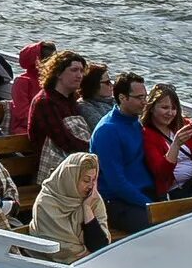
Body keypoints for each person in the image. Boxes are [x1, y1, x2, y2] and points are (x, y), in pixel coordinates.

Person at [89, 72, 152, 233]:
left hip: (140, 192)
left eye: (145, 96)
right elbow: (116, 183)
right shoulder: (108, 131)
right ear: (123, 98)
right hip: (116, 202)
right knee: (159, 227)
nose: (144, 102)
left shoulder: (135, 122)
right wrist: (149, 204)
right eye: (139, 98)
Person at [141, 82, 192, 199]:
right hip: (177, 192)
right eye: (165, 108)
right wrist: (176, 145)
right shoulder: (147, 134)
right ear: (151, 108)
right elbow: (162, 174)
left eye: (174, 108)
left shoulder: (181, 124)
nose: (170, 113)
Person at [29, 153, 110, 263]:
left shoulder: (92, 199)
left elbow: (100, 245)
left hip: (89, 262)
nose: (91, 186)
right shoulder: (46, 203)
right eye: (86, 180)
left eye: (94, 180)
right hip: (51, 267)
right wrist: (91, 256)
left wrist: (87, 208)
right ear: (70, 178)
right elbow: (64, 250)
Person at [28, 50, 91, 181]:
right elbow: (63, 141)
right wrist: (93, 149)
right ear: (58, 73)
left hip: (74, 161)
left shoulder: (71, 99)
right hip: (52, 167)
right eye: (74, 70)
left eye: (81, 71)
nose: (79, 75)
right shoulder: (45, 102)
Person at [9, 41, 53, 135]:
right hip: (25, 128)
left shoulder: (54, 81)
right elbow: (22, 114)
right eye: (49, 60)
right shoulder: (22, 81)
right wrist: (47, 122)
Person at [77, 63, 114, 132]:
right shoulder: (85, 106)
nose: (111, 85)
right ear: (94, 85)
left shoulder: (114, 101)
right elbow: (104, 130)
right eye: (107, 82)